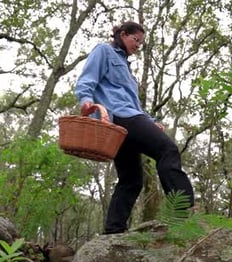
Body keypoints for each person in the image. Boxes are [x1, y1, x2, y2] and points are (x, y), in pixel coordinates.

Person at [74, 21, 195, 234]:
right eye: (135, 39)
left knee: (131, 179)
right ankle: (183, 211)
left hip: (130, 117)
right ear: (122, 34)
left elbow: (132, 103)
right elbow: (88, 78)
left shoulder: (128, 70)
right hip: (119, 117)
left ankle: (113, 231)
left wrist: (149, 120)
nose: (138, 45)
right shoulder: (104, 50)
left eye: (141, 43)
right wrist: (85, 100)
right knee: (167, 150)